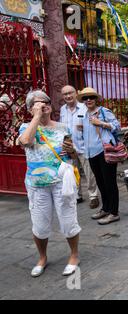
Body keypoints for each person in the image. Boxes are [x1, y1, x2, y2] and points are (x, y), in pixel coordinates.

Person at [18, 90, 81, 277]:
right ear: (30, 109)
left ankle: (74, 255)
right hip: (37, 184)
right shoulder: (25, 127)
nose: (43, 106)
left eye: (46, 102)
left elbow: (73, 155)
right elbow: (26, 141)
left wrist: (72, 151)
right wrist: (36, 117)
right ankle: (42, 257)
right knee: (39, 225)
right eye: (38, 104)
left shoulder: (62, 128)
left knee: (68, 220)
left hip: (62, 182)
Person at [77, 87, 121, 225]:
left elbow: (117, 126)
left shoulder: (103, 112)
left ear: (96, 99)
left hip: (104, 151)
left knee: (110, 183)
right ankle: (106, 208)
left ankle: (114, 212)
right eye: (85, 98)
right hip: (91, 153)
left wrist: (100, 123)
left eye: (91, 97)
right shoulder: (84, 115)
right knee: (101, 182)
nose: (88, 100)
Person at [60, 85, 99, 208]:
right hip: (69, 147)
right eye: (65, 94)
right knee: (72, 172)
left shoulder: (84, 107)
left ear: (76, 93)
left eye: (70, 93)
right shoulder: (62, 109)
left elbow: (93, 124)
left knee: (89, 173)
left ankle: (93, 196)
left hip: (83, 146)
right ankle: (77, 195)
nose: (68, 96)